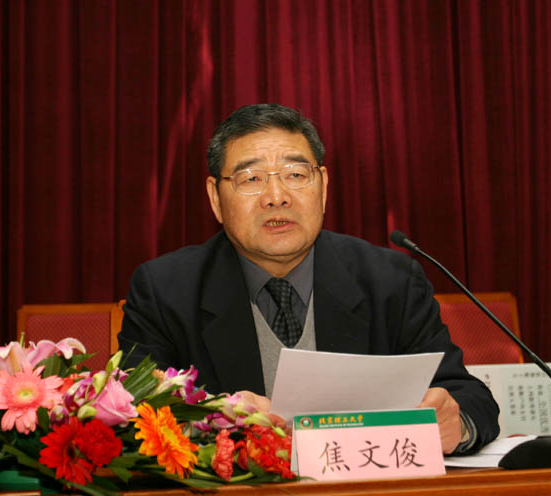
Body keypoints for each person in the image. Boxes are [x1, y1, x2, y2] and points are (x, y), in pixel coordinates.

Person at [119, 104, 499, 454]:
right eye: (251, 179)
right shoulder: (165, 291)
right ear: (216, 198)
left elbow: (468, 397)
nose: (276, 196)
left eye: (296, 175)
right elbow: (131, 418)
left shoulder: (390, 281)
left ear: (323, 186)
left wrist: (457, 425)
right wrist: (216, 418)